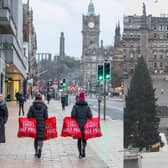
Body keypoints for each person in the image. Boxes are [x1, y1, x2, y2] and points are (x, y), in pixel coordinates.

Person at [71, 91, 92, 159]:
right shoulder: (87, 106)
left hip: (78, 126)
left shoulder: (75, 106)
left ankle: (80, 153)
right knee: (84, 139)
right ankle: (84, 148)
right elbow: (90, 116)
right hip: (85, 126)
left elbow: (73, 115)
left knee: (79, 140)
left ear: (79, 98)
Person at [27, 94, 48, 158]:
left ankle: (36, 151)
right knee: (41, 138)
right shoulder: (44, 107)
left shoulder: (32, 107)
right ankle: (40, 149)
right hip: (42, 125)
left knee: (36, 139)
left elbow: (29, 116)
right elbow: (46, 117)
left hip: (34, 125)